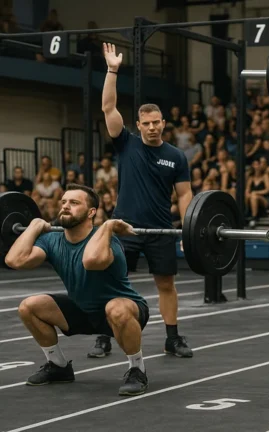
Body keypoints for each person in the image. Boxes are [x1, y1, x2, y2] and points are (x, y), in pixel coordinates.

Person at [4, 184, 150, 396]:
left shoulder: (107, 240)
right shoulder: (52, 240)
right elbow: (14, 260)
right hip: (82, 309)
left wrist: (107, 226)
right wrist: (34, 226)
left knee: (115, 308)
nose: (65, 206)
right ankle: (58, 366)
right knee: (29, 307)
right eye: (63, 202)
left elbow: (91, 261)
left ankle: (137, 369)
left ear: (91, 212)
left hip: (124, 310)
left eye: (74, 203)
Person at [99, 43, 193, 358]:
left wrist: (189, 228)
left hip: (160, 229)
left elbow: (184, 194)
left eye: (157, 122)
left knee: (166, 284)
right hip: (124, 227)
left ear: (163, 123)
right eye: (146, 123)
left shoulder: (176, 156)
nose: (152, 127)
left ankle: (172, 338)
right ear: (138, 125)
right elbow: (108, 108)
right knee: (113, 282)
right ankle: (104, 336)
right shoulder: (126, 144)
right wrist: (112, 70)